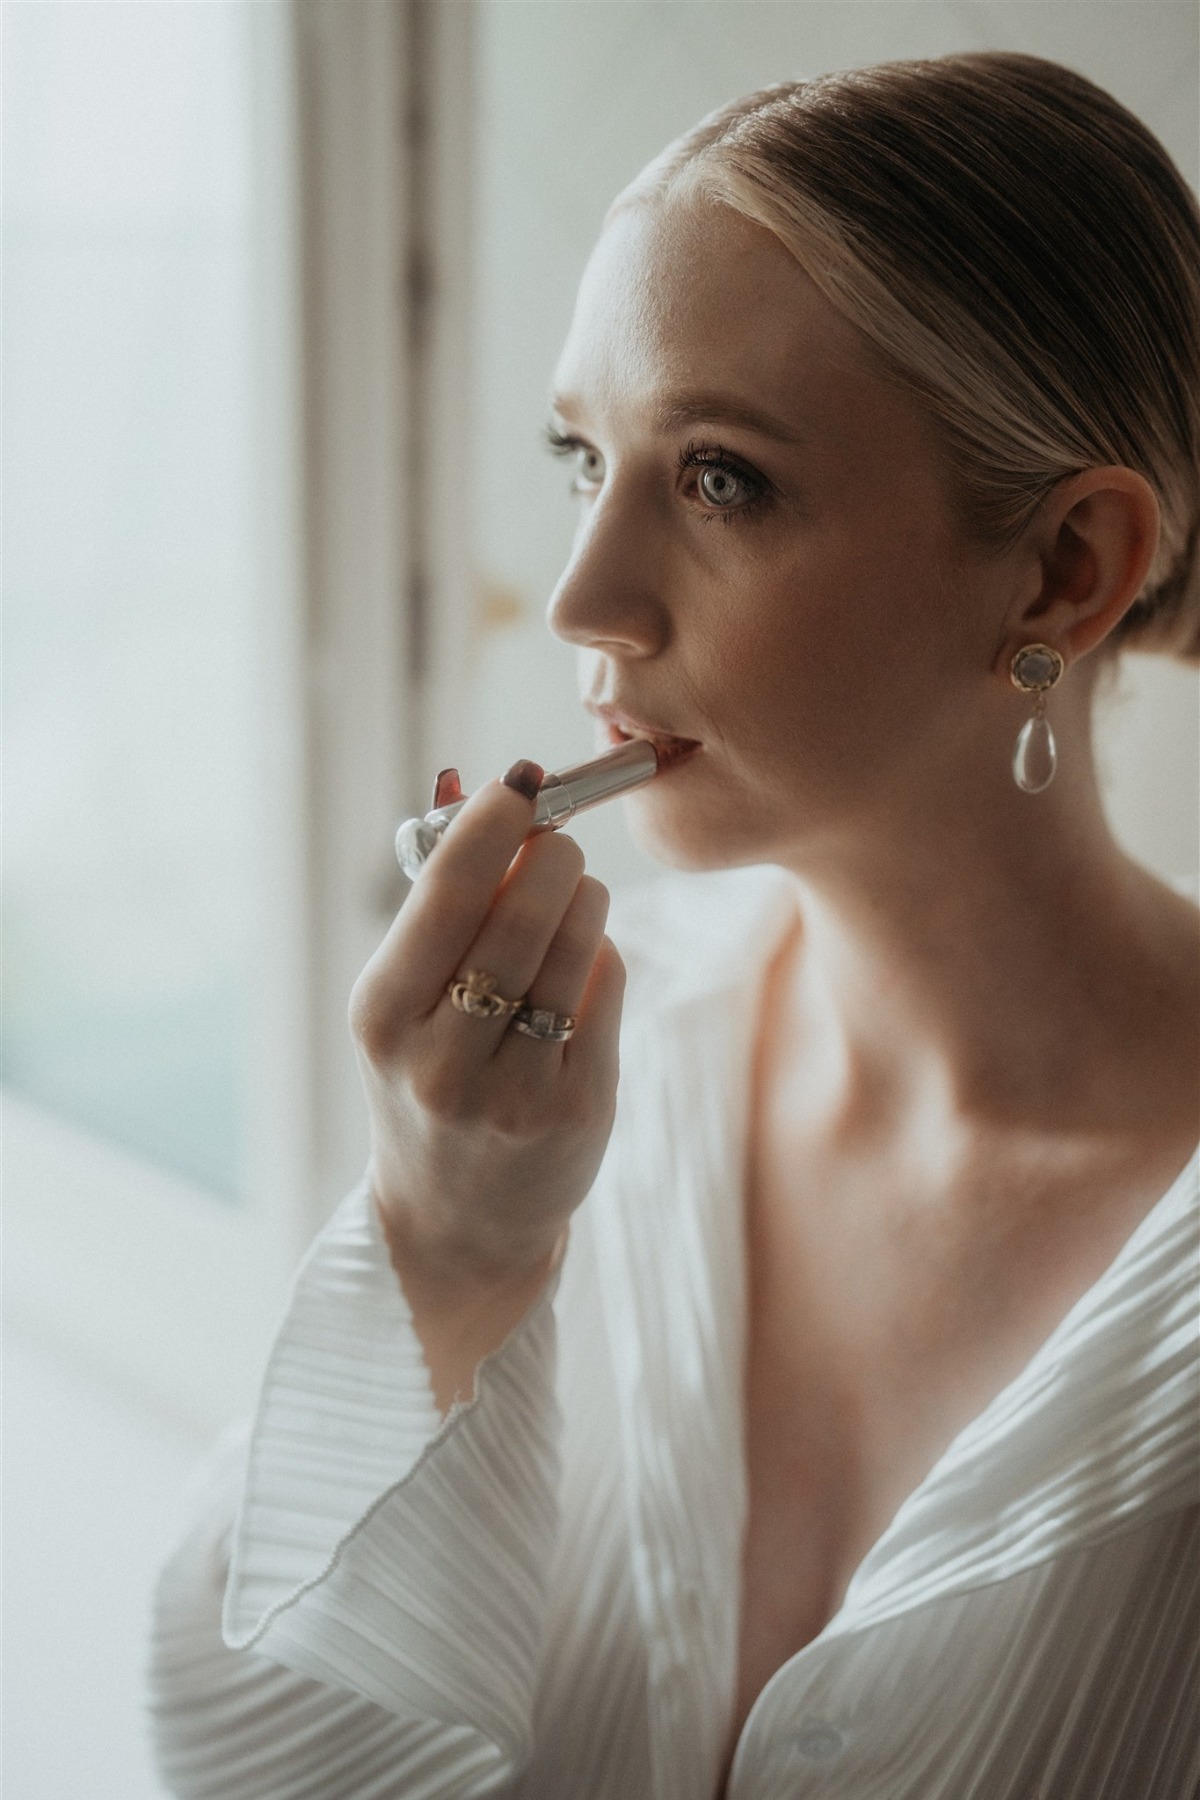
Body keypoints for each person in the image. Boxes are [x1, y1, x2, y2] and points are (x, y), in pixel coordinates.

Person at [149, 51, 1200, 1800]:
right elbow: (254, 1755)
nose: (580, 599)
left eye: (721, 479)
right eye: (583, 456)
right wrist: (447, 1241)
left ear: (1061, 575)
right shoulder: (588, 1095)